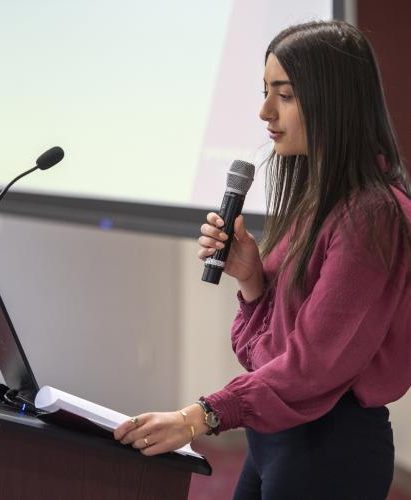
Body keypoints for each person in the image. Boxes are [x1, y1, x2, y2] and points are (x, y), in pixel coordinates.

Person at [114, 20, 411, 499]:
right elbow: (268, 355)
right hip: (277, 438)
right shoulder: (320, 200)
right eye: (265, 91)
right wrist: (253, 280)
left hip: (331, 450)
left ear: (332, 101)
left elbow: (311, 366)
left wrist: (200, 416)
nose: (264, 111)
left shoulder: (371, 214)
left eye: (286, 95)